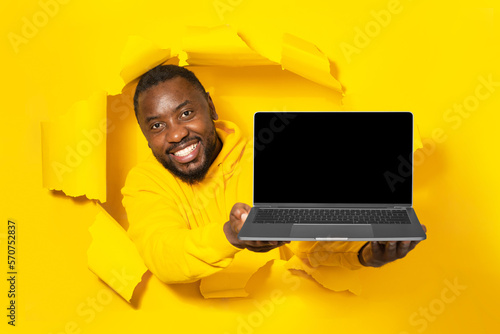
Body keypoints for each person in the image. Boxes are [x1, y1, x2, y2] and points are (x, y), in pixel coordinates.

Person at [122, 64, 426, 284]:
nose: (176, 135)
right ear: (146, 135)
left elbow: (311, 240)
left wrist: (365, 254)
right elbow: (162, 253)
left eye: (186, 113)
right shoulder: (144, 182)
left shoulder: (265, 155)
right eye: (157, 126)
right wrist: (232, 236)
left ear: (211, 107)